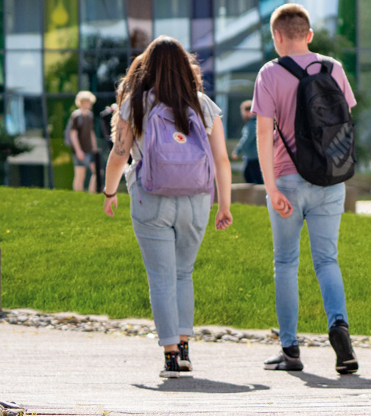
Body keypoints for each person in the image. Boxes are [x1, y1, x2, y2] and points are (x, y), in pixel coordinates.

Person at [99, 37, 232, 380]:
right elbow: (221, 159)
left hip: (151, 197)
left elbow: (119, 154)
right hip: (197, 199)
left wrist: (110, 191)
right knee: (183, 273)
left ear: (147, 67)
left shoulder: (135, 104)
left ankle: (171, 355)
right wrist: (224, 205)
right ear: (187, 67)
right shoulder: (203, 104)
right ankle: (185, 348)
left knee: (161, 278)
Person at [254, 3, 359, 375]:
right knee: (327, 260)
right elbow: (345, 120)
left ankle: (290, 349)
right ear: (310, 35)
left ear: (276, 36)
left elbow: (263, 134)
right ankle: (340, 330)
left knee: (286, 263)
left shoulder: (270, 73)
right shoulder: (334, 68)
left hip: (287, 181)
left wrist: (271, 188)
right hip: (331, 181)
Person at [67, 92, 99, 193]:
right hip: (80, 150)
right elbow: (73, 134)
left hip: (89, 149)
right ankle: (78, 197)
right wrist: (78, 150)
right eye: (88, 102)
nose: (90, 104)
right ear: (82, 102)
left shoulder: (90, 116)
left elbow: (91, 133)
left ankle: (91, 193)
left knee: (96, 172)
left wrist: (94, 147)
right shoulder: (76, 116)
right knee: (80, 174)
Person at [232, 99, 262, 185]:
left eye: (243, 111)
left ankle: (260, 197)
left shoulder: (252, 125)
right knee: (248, 175)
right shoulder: (253, 122)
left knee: (255, 179)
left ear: (249, 111)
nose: (242, 113)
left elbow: (246, 139)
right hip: (251, 156)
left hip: (254, 156)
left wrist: (237, 151)